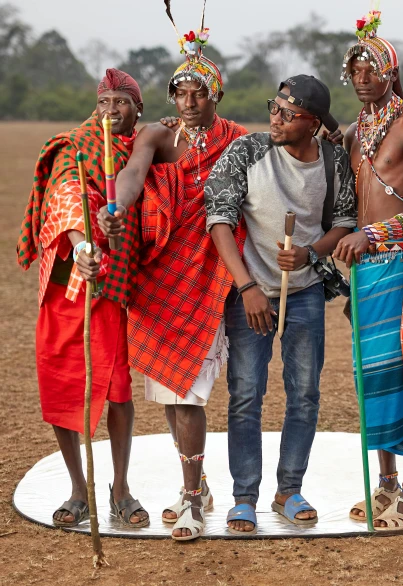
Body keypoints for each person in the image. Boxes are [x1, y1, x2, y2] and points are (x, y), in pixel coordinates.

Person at [98, 20, 247, 541]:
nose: (187, 101)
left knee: (189, 395)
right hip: (159, 280)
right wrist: (117, 206)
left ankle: (189, 498)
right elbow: (133, 172)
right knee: (169, 389)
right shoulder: (157, 135)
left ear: (215, 95)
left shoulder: (238, 142)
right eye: (180, 92)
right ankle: (198, 482)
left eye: (197, 93)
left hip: (207, 280)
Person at [204, 74, 356, 535]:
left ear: (312, 123)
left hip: (305, 289)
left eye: (289, 114)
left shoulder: (334, 160)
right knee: (246, 394)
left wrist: (311, 252)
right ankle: (244, 497)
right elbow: (219, 221)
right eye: (275, 107)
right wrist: (247, 288)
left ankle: (289, 490)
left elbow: (344, 223)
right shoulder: (248, 151)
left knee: (304, 392)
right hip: (250, 290)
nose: (277, 118)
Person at [17, 69, 149, 529]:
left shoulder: (144, 150)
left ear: (138, 110)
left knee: (117, 389)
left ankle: (121, 488)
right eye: (104, 102)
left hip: (111, 290)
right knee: (63, 384)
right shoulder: (75, 147)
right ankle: (78, 488)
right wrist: (83, 245)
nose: (111, 111)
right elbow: (66, 198)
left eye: (121, 103)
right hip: (66, 287)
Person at [332, 8, 403, 530]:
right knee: (369, 376)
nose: (362, 78)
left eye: (371, 68)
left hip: (401, 266)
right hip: (363, 273)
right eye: (355, 70)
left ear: (391, 73)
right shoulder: (355, 132)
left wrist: (372, 234)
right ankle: (386, 484)